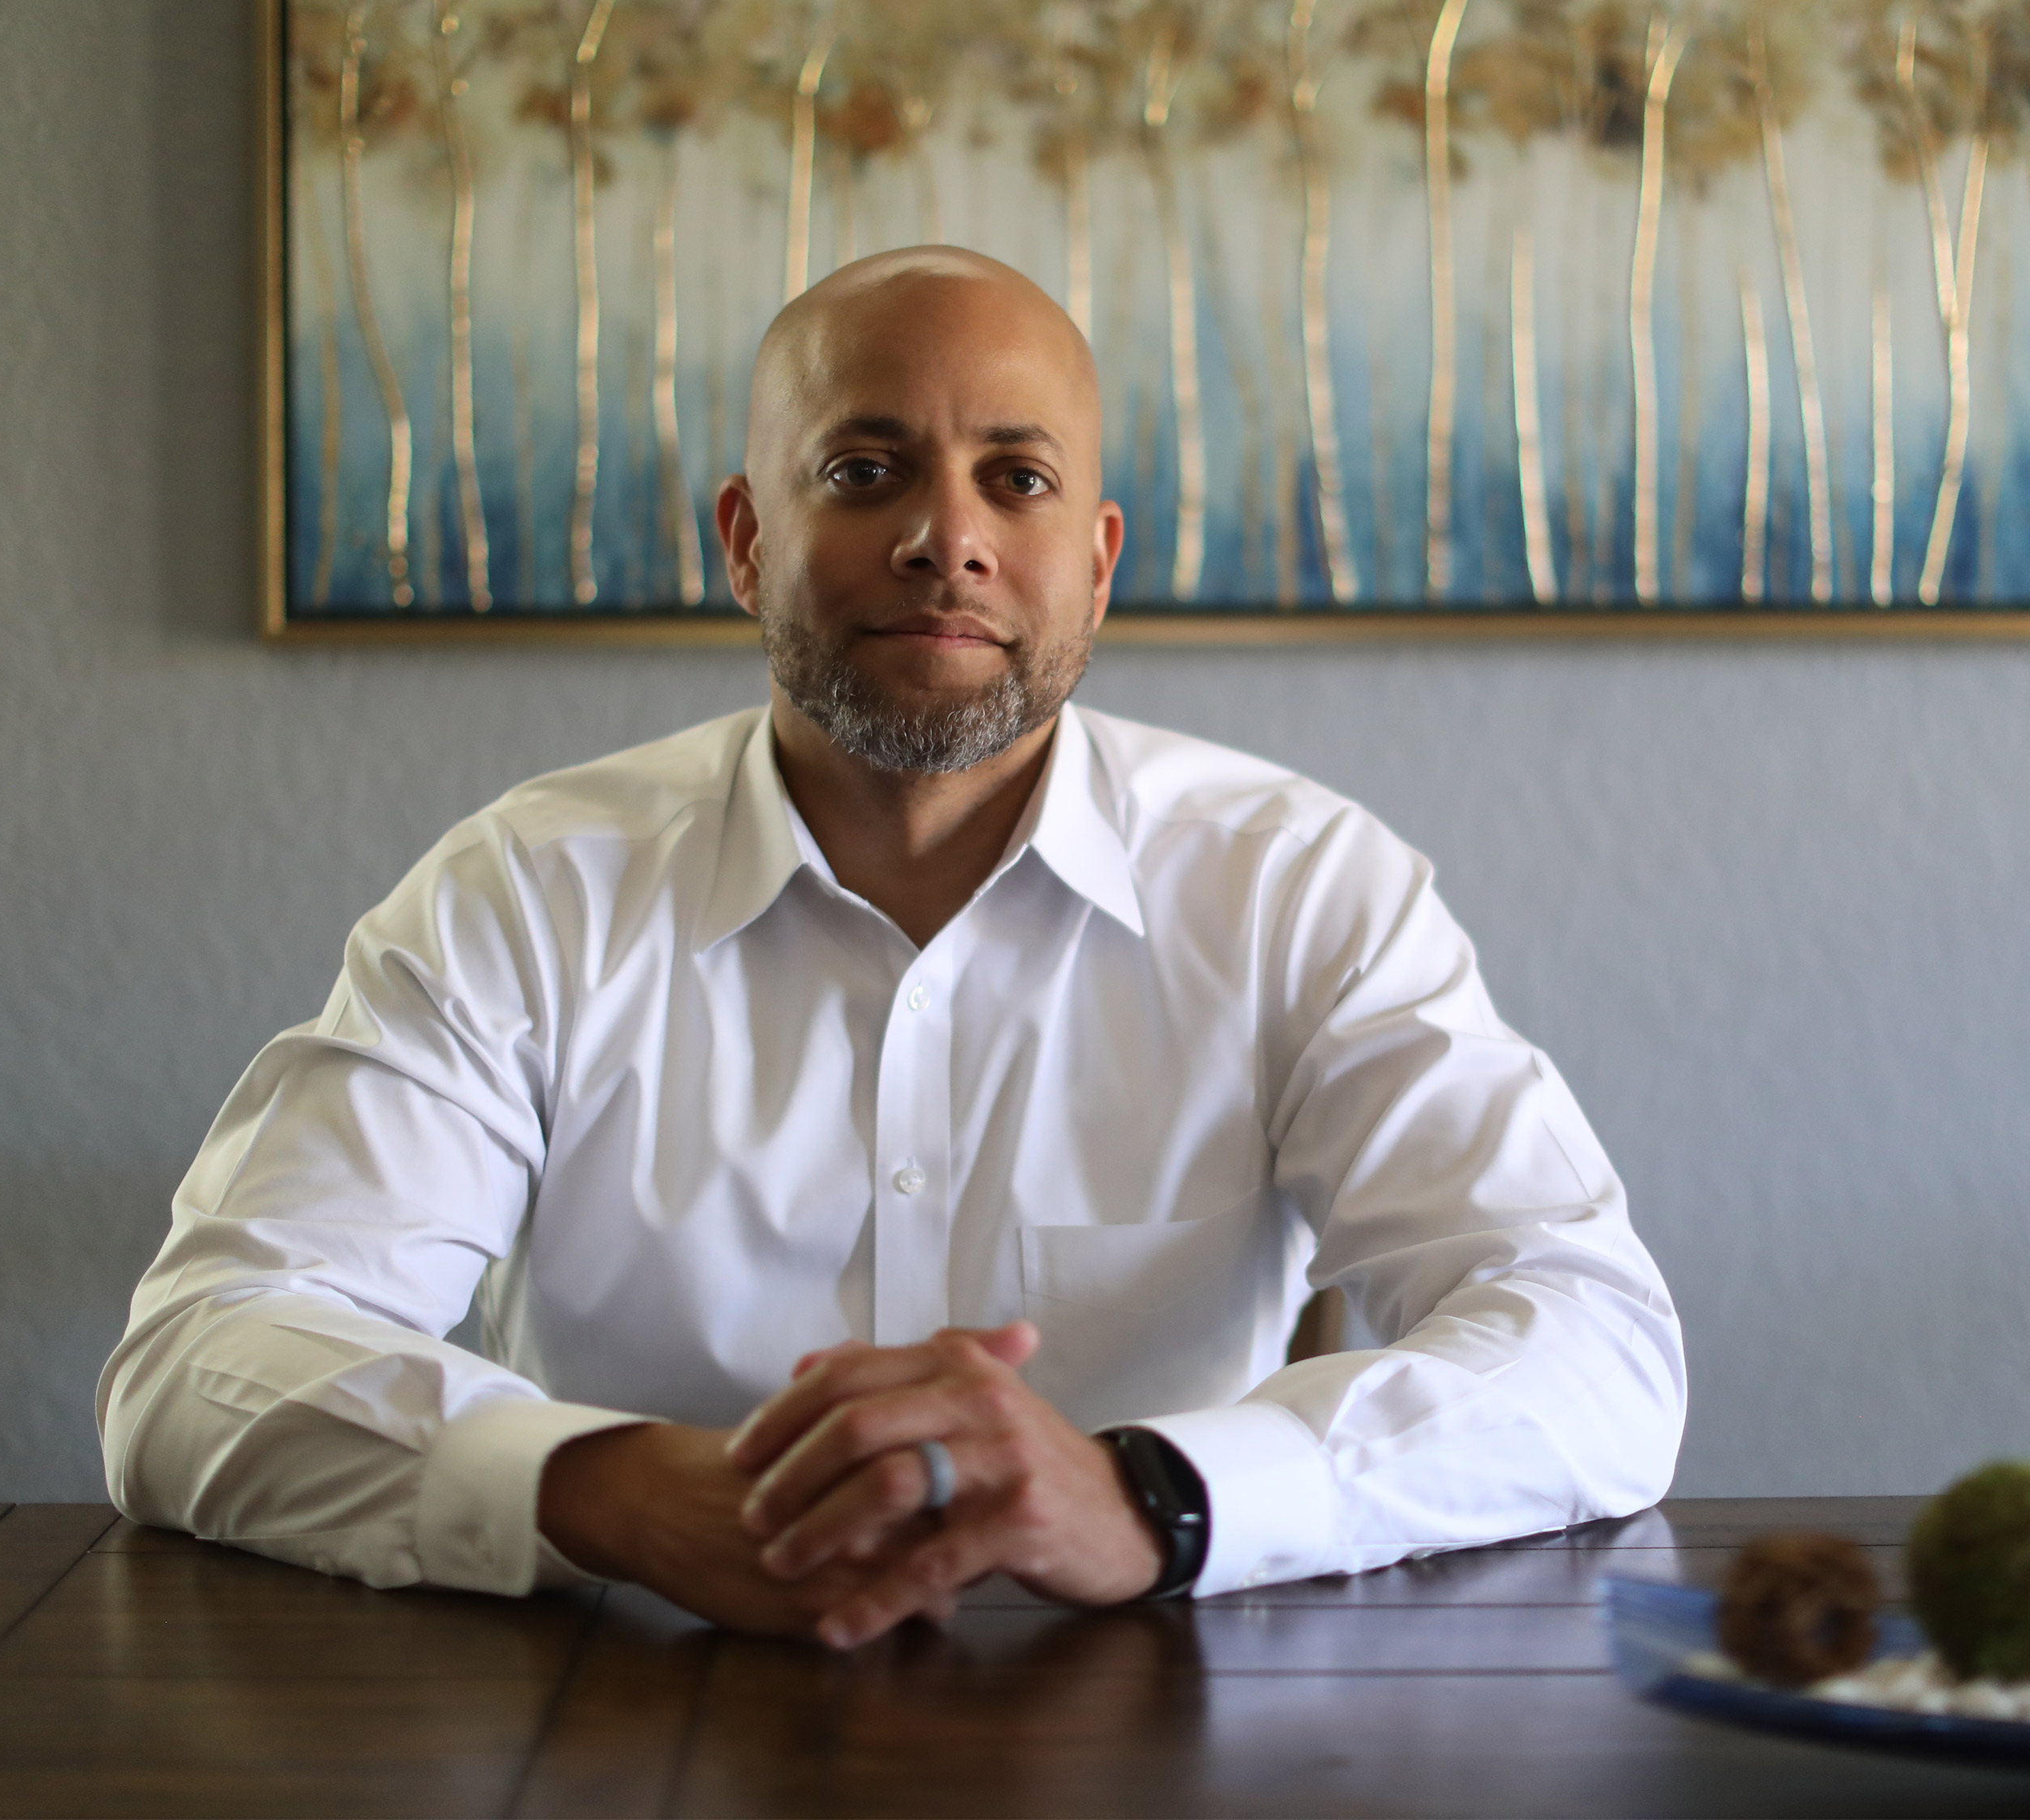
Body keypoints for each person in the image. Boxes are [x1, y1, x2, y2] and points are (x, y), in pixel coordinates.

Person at [99, 248, 1684, 1648]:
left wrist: (1157, 1497)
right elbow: (199, 1359)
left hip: (1175, 1727)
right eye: (865, 470)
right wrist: (613, 1484)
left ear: (1101, 560)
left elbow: (1591, 1340)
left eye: (1018, 476)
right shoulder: (528, 890)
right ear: (743, 537)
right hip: (621, 1708)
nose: (948, 536)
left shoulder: (1303, 887)